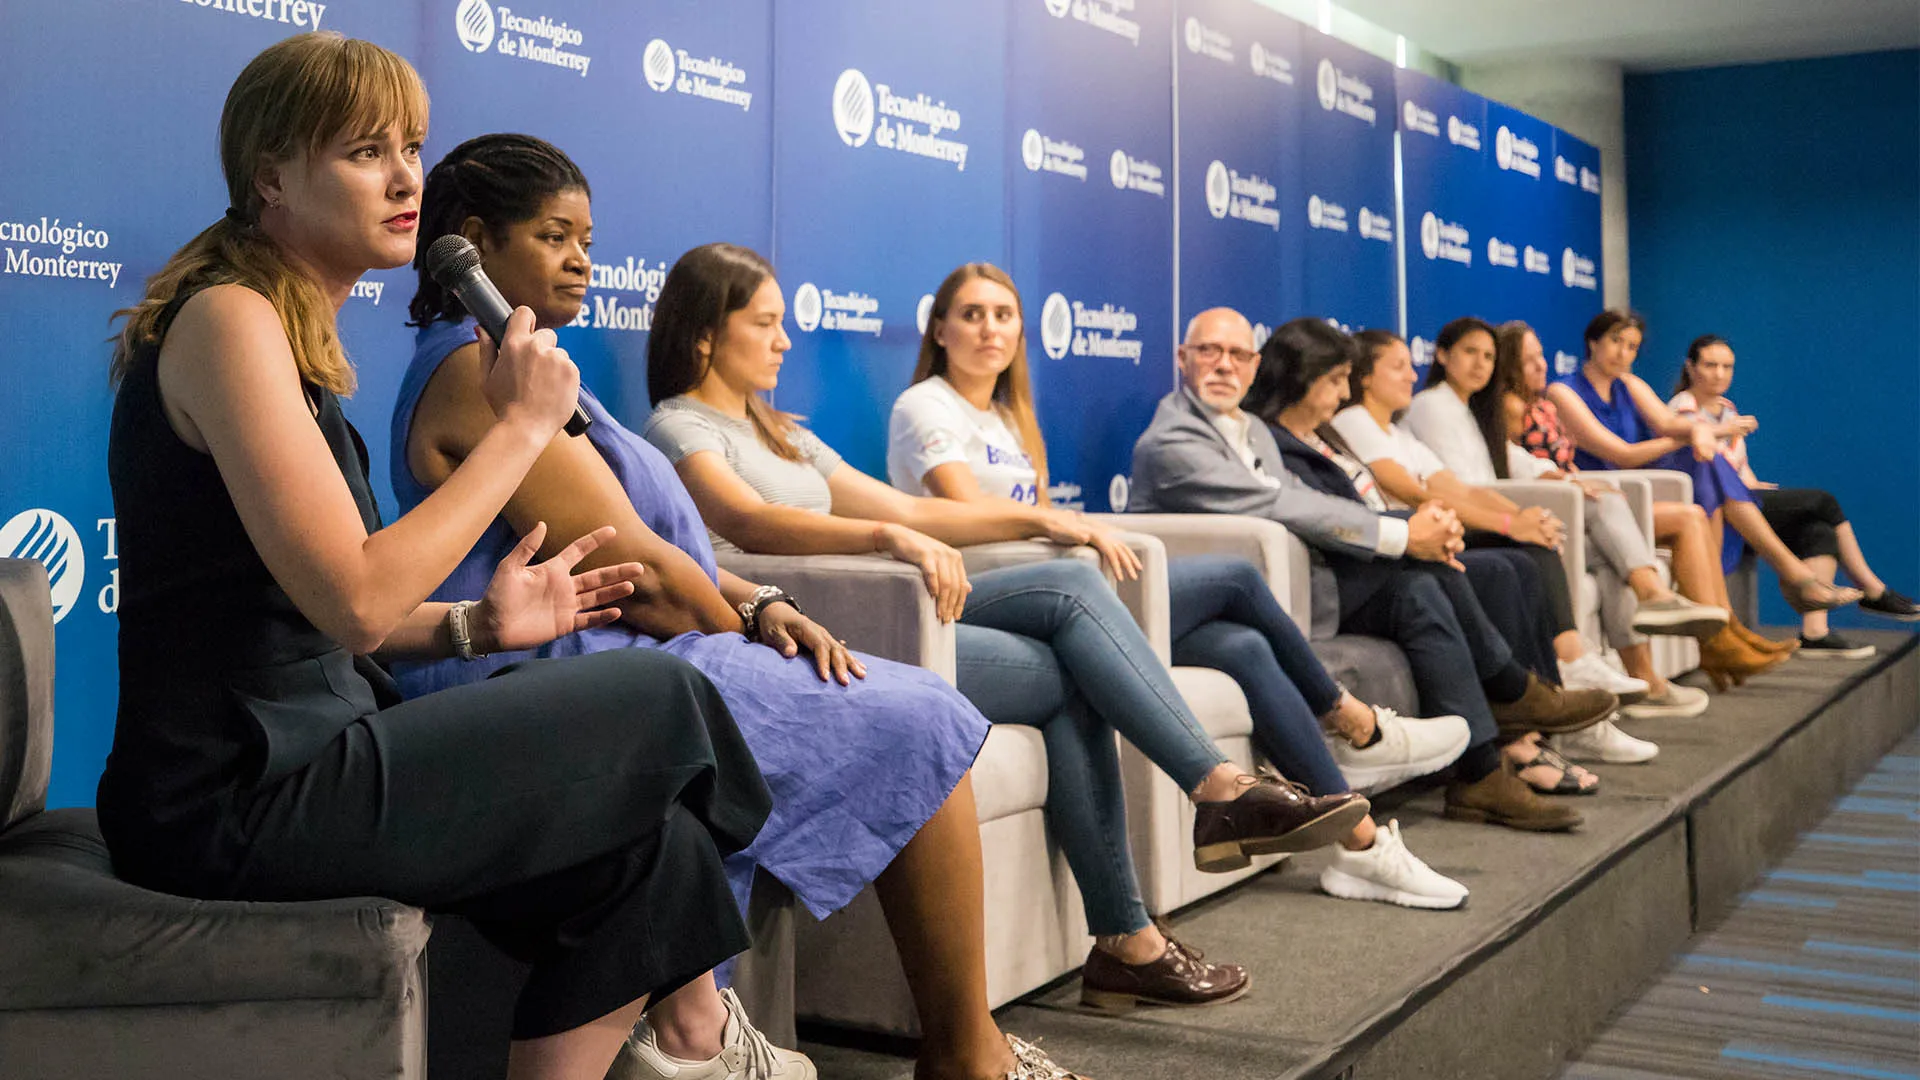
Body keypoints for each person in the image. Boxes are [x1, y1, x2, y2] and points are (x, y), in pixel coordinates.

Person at [97, 36, 772, 1080]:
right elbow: (359, 600)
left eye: (411, 146)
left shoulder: (283, 329)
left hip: (320, 744)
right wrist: (518, 431)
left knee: (655, 851)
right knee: (666, 704)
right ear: (270, 176)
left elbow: (317, 606)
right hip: (232, 797)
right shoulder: (228, 322)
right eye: (367, 151)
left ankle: (686, 1039)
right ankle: (708, 1025)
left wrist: (478, 625)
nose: (408, 176)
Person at [392, 136, 1063, 1080]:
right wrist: (736, 621)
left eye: (588, 237)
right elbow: (646, 578)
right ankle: (963, 1057)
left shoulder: (531, 366)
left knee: (906, 705)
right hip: (555, 671)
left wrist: (761, 603)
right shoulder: (475, 373)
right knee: (924, 717)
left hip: (634, 651)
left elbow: (683, 556)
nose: (583, 258)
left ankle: (724, 1031)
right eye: (555, 236)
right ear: (473, 242)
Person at [642, 243, 1372, 1014]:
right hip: (811, 630)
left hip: (886, 609)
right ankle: (1191, 833)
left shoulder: (782, 431)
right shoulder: (678, 427)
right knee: (1075, 624)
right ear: (705, 336)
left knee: (1071, 625)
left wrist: (1031, 519)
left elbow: (914, 509)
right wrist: (887, 540)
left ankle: (1144, 916)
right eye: (766, 323)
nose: (786, 340)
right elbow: (749, 522)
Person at [888, 263, 1473, 910]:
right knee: (1235, 576)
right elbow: (972, 521)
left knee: (1240, 646)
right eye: (971, 315)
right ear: (939, 329)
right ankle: (1351, 723)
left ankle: (1360, 847)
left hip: (1053, 586)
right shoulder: (925, 406)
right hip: (993, 594)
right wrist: (1061, 525)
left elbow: (1040, 522)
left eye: (1003, 315)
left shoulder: (1008, 416)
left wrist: (1065, 528)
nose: (989, 329)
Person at [1130, 309, 1618, 829]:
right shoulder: (1172, 442)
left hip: (1299, 581)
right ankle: (1501, 705)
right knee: (1433, 573)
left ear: (1255, 365)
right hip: (1259, 593)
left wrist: (1413, 532)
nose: (1224, 366)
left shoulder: (1248, 429)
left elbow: (1298, 496)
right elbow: (1276, 505)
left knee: (1429, 584)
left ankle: (1484, 761)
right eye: (1209, 351)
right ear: (1182, 359)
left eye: (1238, 354)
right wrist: (1404, 534)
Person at [1388, 321, 1729, 756]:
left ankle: (1634, 685)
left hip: (1493, 513)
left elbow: (1508, 459)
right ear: (1441, 356)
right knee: (1555, 535)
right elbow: (1458, 485)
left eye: (1489, 356)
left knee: (1603, 533)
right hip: (1468, 526)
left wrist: (1556, 477)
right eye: (1470, 353)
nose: (1481, 365)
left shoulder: (1471, 407)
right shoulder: (1433, 406)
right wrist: (1519, 518)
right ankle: (1600, 644)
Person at [1333, 321, 1660, 771]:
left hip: (1438, 535)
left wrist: (1518, 517)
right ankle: (1545, 708)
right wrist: (1510, 522)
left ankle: (1560, 701)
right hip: (1408, 545)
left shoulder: (1400, 432)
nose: (1412, 375)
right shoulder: (1354, 421)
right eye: (1399, 366)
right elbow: (1416, 492)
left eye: (1412, 365)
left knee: (1527, 557)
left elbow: (1462, 488)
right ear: (1365, 376)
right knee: (1511, 565)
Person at [1542, 311, 1845, 689]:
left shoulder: (1629, 384)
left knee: (1702, 489)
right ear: (1593, 342)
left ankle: (1728, 629)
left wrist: (1699, 431)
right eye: (1616, 342)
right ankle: (1748, 613)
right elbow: (1620, 453)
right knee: (1703, 477)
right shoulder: (1563, 392)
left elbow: (1671, 423)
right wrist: (1703, 434)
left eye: (1632, 346)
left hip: (1634, 494)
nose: (1623, 353)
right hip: (1603, 501)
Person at [1670, 334, 1918, 657]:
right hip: (1714, 507)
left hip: (1743, 497)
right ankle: (1872, 588)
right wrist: (1724, 435)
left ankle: (1815, 633)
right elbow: (1698, 454)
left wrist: (1753, 481)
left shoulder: (1729, 410)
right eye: (1710, 365)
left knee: (1817, 530)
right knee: (1822, 502)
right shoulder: (1682, 408)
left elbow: (1738, 467)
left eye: (1727, 366)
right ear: (1691, 367)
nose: (1719, 374)